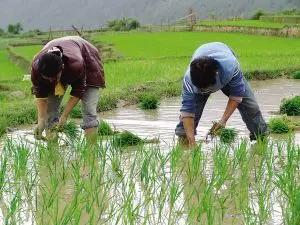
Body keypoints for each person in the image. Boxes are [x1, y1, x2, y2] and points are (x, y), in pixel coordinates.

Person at [175, 42, 268, 146]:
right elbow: (187, 111)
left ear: (217, 74)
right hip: (201, 78)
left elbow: (237, 95)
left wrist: (223, 121)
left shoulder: (231, 67)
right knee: (188, 120)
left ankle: (261, 139)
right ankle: (184, 145)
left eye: (208, 89)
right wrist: (192, 142)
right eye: (202, 89)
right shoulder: (189, 80)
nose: (206, 92)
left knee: (251, 107)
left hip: (225, 68)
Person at [31, 36, 105, 142]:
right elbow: (40, 93)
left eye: (54, 78)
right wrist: (41, 120)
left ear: (62, 68)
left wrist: (64, 116)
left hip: (87, 57)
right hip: (60, 52)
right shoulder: (36, 68)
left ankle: (91, 154)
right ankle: (53, 153)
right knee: (50, 113)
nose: (51, 81)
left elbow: (79, 90)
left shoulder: (76, 64)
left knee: (89, 110)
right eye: (48, 79)